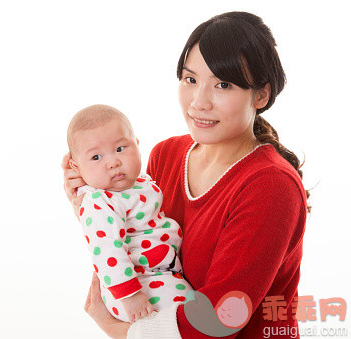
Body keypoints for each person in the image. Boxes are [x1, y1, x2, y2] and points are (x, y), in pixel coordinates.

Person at [62, 11, 309, 338]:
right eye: (190, 79)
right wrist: (90, 201)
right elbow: (138, 246)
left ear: (261, 94)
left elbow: (221, 317)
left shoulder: (270, 186)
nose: (198, 102)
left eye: (223, 84)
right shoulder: (166, 155)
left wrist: (119, 331)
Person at [66, 104, 192, 323]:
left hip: (161, 273)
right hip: (136, 284)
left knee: (193, 311)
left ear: (137, 145)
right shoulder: (99, 201)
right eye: (96, 157)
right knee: (188, 318)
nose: (113, 162)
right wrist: (131, 295)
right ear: (76, 168)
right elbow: (106, 250)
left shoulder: (141, 183)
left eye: (120, 149)